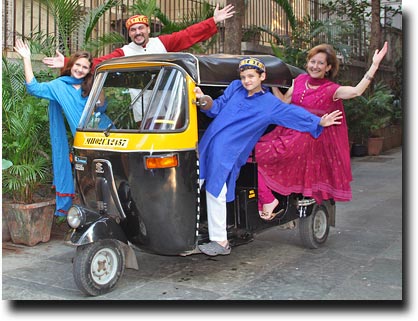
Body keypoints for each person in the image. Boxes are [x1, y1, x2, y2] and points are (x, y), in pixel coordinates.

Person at [194, 57, 343, 256]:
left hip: (228, 154)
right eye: (244, 76)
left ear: (262, 77)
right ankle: (191, 234)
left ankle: (220, 241)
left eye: (251, 77)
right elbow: (216, 108)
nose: (246, 81)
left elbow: (292, 113)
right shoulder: (235, 88)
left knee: (215, 191)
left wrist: (318, 122)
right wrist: (204, 100)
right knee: (196, 184)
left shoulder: (269, 104)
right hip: (208, 145)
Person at [256, 42, 388, 219]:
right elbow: (283, 104)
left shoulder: (331, 89)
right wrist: (271, 84)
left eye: (320, 63)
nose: (315, 66)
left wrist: (374, 65)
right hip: (286, 133)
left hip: (306, 139)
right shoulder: (299, 81)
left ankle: (268, 201)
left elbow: (356, 92)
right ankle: (266, 200)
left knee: (258, 155)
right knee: (249, 152)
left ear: (328, 67)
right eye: (312, 61)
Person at [13, 39, 110, 219]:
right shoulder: (58, 86)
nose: (80, 70)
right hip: (87, 142)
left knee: (111, 180)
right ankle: (91, 219)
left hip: (108, 135)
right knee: (91, 182)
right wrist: (26, 58)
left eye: (85, 67)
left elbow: (102, 108)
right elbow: (33, 88)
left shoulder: (90, 85)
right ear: (71, 65)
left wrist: (98, 84)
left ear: (89, 70)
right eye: (77, 65)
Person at [42, 3, 236, 70]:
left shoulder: (162, 43)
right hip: (141, 109)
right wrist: (67, 61)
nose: (137, 33)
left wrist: (213, 21)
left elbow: (188, 35)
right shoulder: (124, 52)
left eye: (140, 29)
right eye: (133, 30)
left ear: (148, 30)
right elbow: (98, 62)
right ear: (129, 34)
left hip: (168, 102)